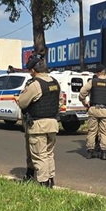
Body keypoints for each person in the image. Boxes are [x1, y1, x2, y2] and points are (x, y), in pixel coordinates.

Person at [16, 52, 63, 187]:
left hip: (38, 125)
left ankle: (43, 183)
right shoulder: (55, 83)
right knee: (49, 154)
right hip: (52, 124)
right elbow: (60, 102)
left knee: (39, 155)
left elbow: (22, 102)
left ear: (33, 70)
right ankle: (50, 180)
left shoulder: (35, 85)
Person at [79, 64, 106, 160]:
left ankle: (90, 152)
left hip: (93, 109)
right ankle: (104, 153)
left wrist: (84, 102)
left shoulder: (92, 82)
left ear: (98, 73)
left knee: (92, 131)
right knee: (104, 132)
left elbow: (82, 93)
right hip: (105, 110)